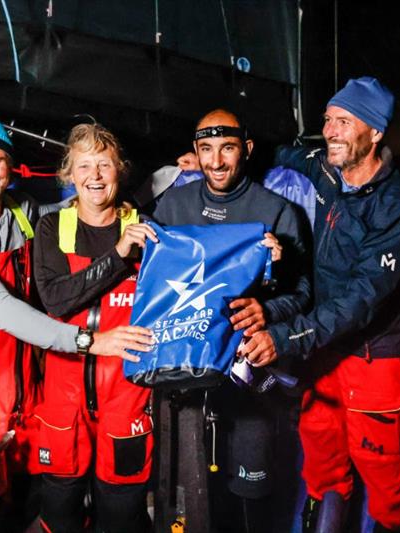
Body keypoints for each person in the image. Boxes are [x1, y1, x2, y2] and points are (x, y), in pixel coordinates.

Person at [0, 109, 153, 531]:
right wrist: (89, 341)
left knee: (23, 501)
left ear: (9, 163)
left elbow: (80, 204)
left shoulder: (22, 209)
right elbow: (1, 307)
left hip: (19, 385)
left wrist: (169, 179)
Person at [242, 77, 400, 532]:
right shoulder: (325, 166)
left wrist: (283, 337)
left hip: (372, 356)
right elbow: (279, 153)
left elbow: (359, 301)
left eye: (344, 121)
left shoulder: (397, 208)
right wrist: (218, 158)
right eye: (327, 119)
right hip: (323, 350)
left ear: (376, 132)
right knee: (320, 458)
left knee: (384, 480)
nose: (330, 130)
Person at [152, 109, 312, 532]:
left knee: (252, 493)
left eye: (227, 148)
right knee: (193, 495)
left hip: (251, 380)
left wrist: (269, 304)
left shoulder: (278, 210)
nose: (217, 161)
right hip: (186, 375)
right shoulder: (172, 204)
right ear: (196, 152)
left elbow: (304, 294)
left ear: (247, 150)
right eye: (206, 149)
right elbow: (152, 286)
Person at [29, 123, 159, 533]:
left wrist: (262, 260)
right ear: (69, 174)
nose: (95, 175)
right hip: (62, 400)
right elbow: (55, 299)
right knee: (60, 513)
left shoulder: (147, 226)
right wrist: (119, 254)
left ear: (121, 170)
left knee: (123, 515)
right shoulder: (52, 228)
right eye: (85, 165)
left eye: (105, 164)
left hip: (128, 398)